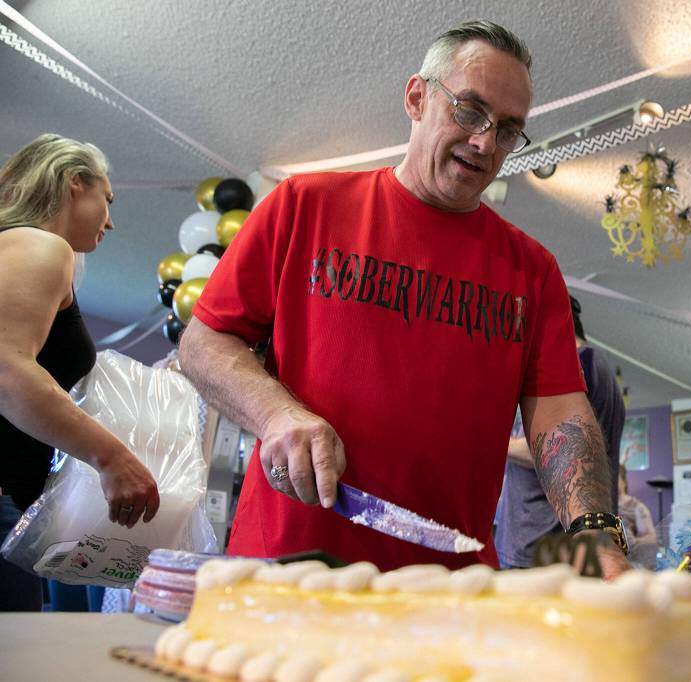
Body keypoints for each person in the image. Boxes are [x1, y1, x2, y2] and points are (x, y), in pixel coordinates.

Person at [178, 20, 630, 577]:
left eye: (509, 130)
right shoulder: (304, 205)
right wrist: (276, 414)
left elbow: (559, 410)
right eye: (470, 110)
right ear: (417, 97)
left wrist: (594, 531)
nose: (486, 142)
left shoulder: (531, 271)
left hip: (450, 587)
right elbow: (203, 341)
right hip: (289, 568)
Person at [0, 134, 160, 611]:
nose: (109, 221)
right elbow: (6, 370)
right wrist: (112, 458)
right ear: (75, 183)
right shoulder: (40, 245)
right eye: (106, 200)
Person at [494, 296, 625, 568]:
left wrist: (494, 442)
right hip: (556, 542)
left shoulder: (578, 365)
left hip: (543, 541)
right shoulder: (593, 367)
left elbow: (563, 450)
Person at [618, 469, 656, 545]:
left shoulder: (637, 507)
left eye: (616, 479)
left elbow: (652, 538)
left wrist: (635, 541)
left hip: (628, 555)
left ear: (624, 482)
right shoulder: (602, 504)